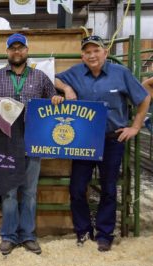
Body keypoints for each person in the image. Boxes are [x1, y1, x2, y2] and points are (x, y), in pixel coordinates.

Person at [54, 35, 150, 252]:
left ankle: (105, 234)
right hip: (83, 141)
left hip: (112, 139)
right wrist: (67, 89)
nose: (92, 55)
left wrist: (135, 127)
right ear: (82, 55)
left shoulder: (121, 73)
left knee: (108, 188)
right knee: (77, 188)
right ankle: (83, 231)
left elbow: (144, 98)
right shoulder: (76, 72)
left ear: (105, 53)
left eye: (96, 50)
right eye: (87, 52)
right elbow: (55, 79)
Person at [0, 33, 61, 256]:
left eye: (20, 48)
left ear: (27, 50)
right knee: (9, 191)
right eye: (12, 48)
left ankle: (28, 236)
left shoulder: (40, 78)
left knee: (30, 191)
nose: (17, 52)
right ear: (7, 52)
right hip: (5, 141)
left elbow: (53, 100)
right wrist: (0, 105)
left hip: (33, 139)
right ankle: (9, 236)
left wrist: (57, 98)